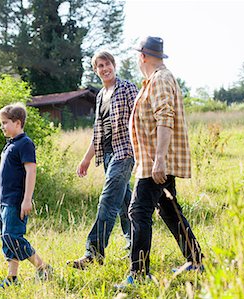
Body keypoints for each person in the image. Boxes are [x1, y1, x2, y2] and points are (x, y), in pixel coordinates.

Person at [119, 36, 203, 286]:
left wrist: (159, 160)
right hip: (152, 160)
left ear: (142, 56)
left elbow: (165, 118)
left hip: (156, 163)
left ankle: (139, 274)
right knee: (169, 209)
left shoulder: (161, 79)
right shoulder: (154, 80)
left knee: (138, 212)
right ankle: (196, 260)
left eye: (137, 55)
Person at [68, 51, 138, 269]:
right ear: (95, 70)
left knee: (107, 201)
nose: (104, 68)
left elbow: (142, 119)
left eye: (107, 64)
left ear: (114, 65)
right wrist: (86, 159)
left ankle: (93, 253)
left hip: (125, 152)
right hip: (107, 155)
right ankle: (135, 245)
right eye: (100, 65)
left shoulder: (127, 88)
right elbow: (98, 132)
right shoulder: (100, 96)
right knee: (126, 203)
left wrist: (147, 152)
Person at [0, 103, 52, 288]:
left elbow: (31, 171)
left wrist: (27, 199)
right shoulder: (10, 144)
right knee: (7, 238)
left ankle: (43, 267)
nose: (2, 126)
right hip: (4, 201)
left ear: (18, 122)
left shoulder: (25, 144)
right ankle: (12, 278)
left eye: (5, 122)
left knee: (13, 236)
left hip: (16, 201)